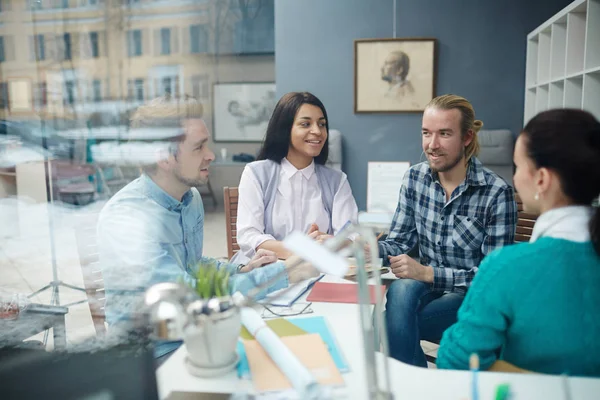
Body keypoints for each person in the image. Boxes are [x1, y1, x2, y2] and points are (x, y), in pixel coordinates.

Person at [97, 96, 317, 358]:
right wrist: (284, 273)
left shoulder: (190, 199)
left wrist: (242, 269)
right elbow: (190, 298)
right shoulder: (128, 218)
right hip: (152, 359)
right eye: (199, 147)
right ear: (164, 158)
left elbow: (194, 265)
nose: (210, 155)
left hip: (197, 336)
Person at [437, 109, 600, 376]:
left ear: (541, 179)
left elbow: (456, 362)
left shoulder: (507, 267)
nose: (514, 178)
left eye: (518, 166)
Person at [378, 94, 517, 367]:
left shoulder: (497, 193)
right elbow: (398, 242)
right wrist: (368, 249)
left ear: (466, 137)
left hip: (471, 299)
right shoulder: (415, 178)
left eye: (444, 134)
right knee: (400, 292)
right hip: (425, 288)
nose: (432, 145)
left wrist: (428, 273)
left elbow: (492, 281)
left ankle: (411, 388)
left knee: (391, 320)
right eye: (426, 133)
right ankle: (421, 388)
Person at [233, 92, 358, 263]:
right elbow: (248, 235)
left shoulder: (337, 181)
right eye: (306, 124)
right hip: (268, 272)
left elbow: (351, 234)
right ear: (285, 129)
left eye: (322, 124)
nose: (317, 131)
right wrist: (301, 250)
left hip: (318, 270)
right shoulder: (255, 173)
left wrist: (335, 243)